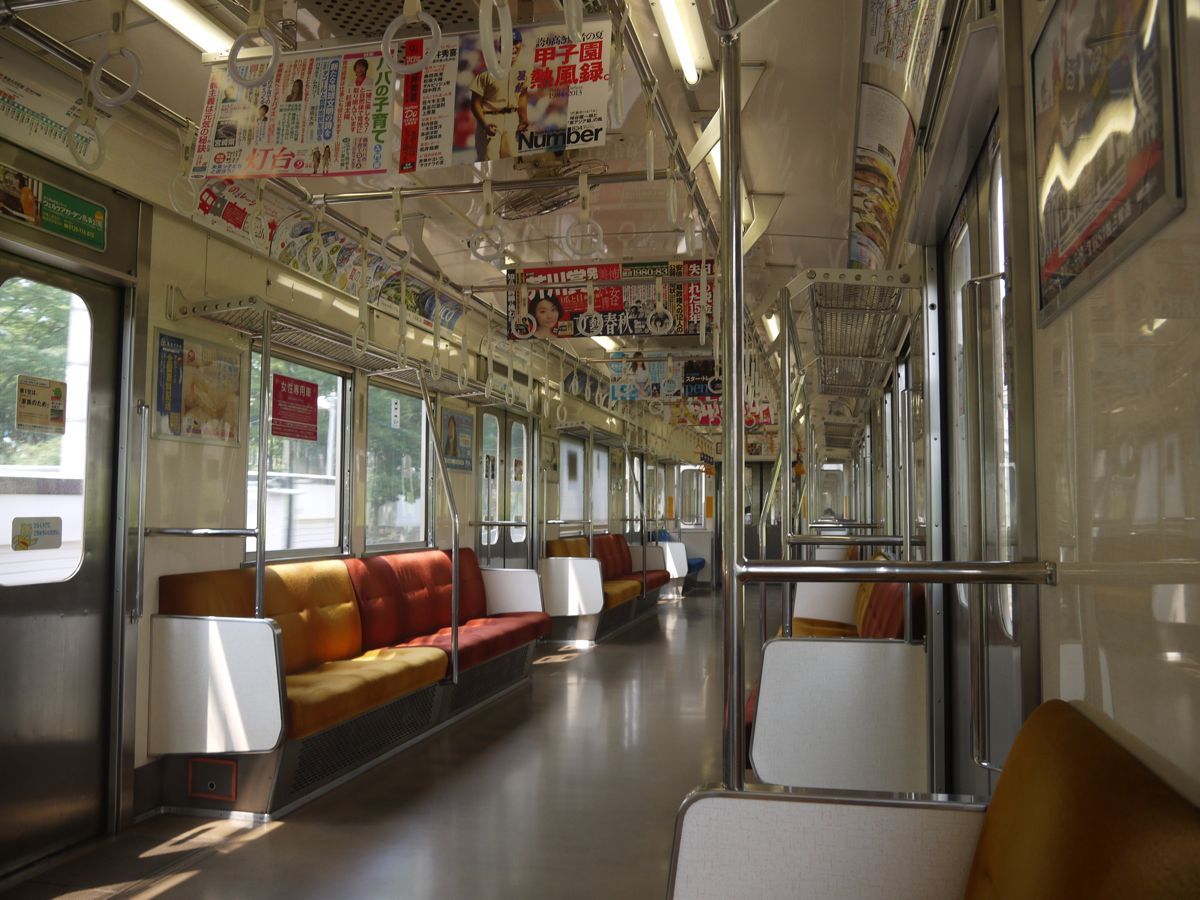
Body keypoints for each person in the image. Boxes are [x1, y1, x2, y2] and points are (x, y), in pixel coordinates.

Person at [469, 29, 529, 161]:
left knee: (512, 162)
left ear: (521, 44)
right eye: (508, 43)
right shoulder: (487, 70)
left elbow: (522, 95)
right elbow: (475, 103)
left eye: (515, 42)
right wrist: (484, 124)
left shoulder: (524, 69)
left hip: (512, 117)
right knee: (489, 162)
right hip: (490, 118)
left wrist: (524, 118)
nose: (512, 47)